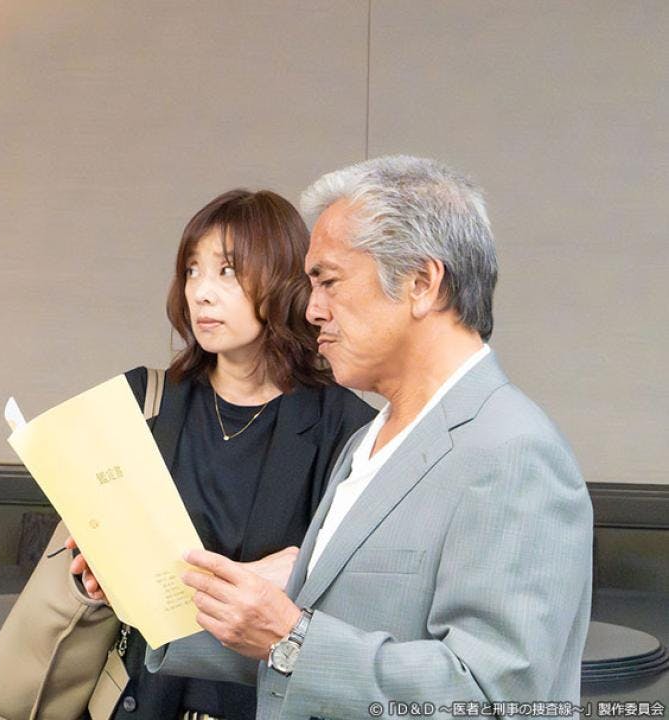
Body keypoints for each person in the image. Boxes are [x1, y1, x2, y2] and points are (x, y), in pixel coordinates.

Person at [114, 156, 592, 717]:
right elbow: (300, 639)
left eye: (329, 282)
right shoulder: (370, 440)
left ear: (421, 283)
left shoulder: (513, 452)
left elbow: (497, 698)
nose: (312, 309)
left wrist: (290, 640)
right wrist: (144, 597)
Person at [67, 189, 375, 720]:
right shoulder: (144, 400)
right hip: (141, 697)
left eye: (227, 272)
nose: (201, 293)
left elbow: (358, 597)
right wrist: (97, 573)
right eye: (192, 271)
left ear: (282, 280)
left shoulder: (345, 427)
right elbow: (96, 541)